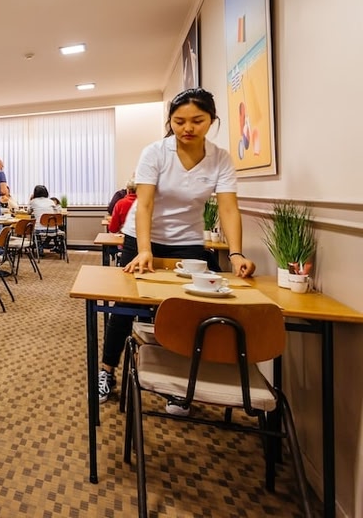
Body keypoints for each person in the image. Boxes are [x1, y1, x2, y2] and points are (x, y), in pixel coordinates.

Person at [96, 87, 256, 416]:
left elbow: (228, 208)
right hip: (141, 237)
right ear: (170, 121)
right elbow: (145, 204)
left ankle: (179, 382)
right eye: (179, 121)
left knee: (182, 310)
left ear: (212, 120)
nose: (188, 128)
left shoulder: (220, 158)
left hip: (187, 240)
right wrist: (144, 250)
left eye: (197, 120)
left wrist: (236, 253)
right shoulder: (156, 153)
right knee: (126, 306)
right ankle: (107, 370)